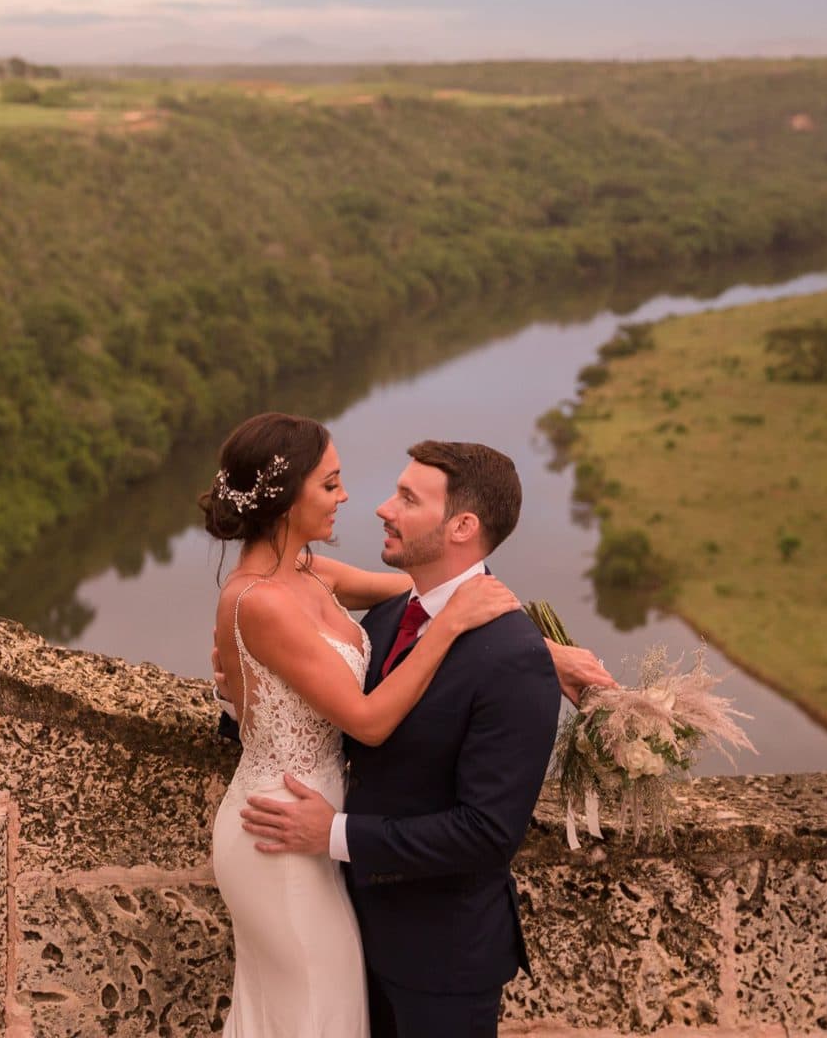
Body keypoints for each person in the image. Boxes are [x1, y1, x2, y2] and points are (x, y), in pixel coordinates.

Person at [203, 413, 610, 1037]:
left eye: (406, 498)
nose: (366, 505)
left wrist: (536, 646)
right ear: (285, 499)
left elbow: (487, 831)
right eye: (332, 484)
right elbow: (358, 714)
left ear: (462, 525)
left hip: (435, 946)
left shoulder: (331, 580)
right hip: (294, 845)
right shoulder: (321, 607)